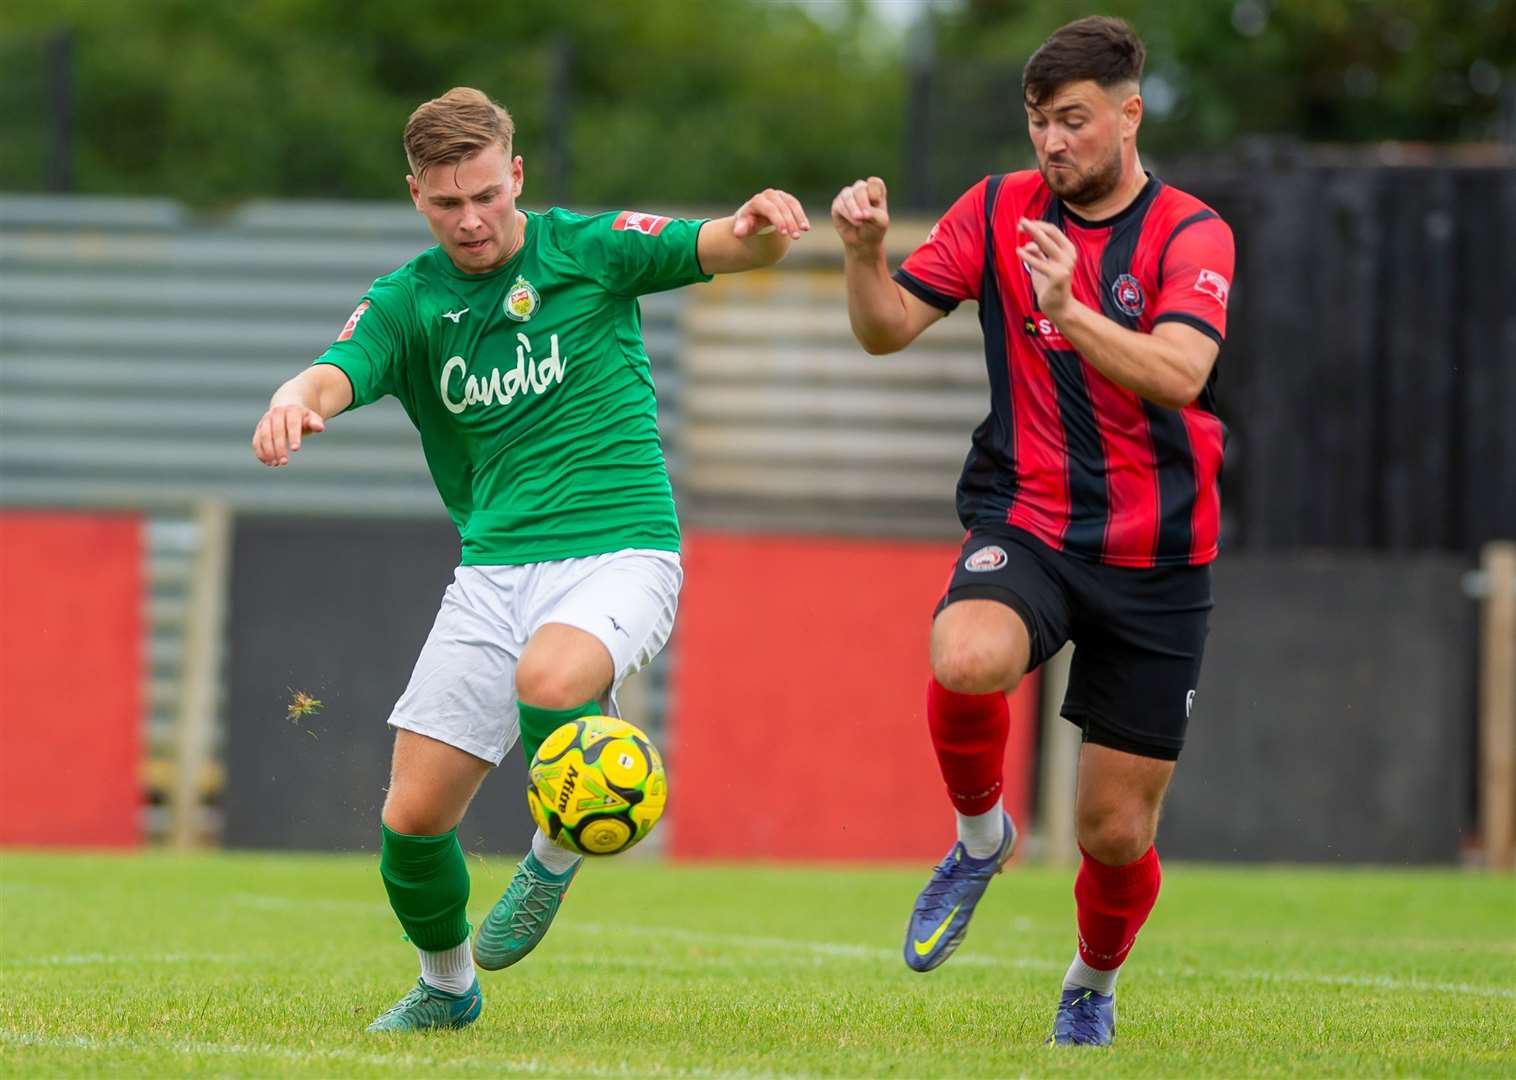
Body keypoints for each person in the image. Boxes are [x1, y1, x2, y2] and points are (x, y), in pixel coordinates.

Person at [251, 87, 809, 1033]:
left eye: (484, 195)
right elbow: (340, 365)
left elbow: (724, 244)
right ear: (416, 198)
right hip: (492, 572)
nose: (469, 221)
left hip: (620, 550)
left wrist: (761, 228)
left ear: (516, 174)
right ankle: (446, 986)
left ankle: (554, 856)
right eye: (444, 204)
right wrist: (296, 397)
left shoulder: (590, 250)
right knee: (412, 824)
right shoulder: (412, 300)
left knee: (550, 681)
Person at [830, 16, 1234, 1047]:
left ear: (1129, 115)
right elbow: (883, 330)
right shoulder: (998, 207)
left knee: (1113, 831)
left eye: (1073, 121)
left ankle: (1089, 986)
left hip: (1158, 552)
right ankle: (980, 837)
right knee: (965, 656)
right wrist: (863, 255)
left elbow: (1181, 372)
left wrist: (1071, 307)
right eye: (1037, 123)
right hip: (1032, 517)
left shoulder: (1191, 233)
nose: (1052, 145)